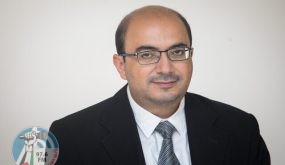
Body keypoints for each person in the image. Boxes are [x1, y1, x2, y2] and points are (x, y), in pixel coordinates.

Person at [49, 5, 270, 165]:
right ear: (121, 66)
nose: (165, 68)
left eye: (177, 52)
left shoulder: (241, 129)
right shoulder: (69, 138)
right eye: (146, 54)